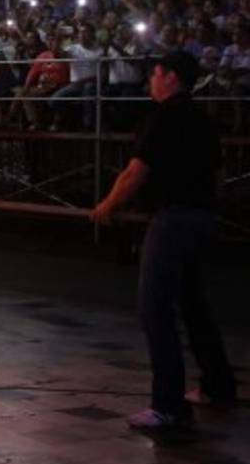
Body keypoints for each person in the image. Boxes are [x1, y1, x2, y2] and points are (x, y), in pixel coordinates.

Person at [91, 51, 237, 430]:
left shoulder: (164, 119)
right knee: (193, 305)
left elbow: (136, 171)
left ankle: (168, 405)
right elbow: (219, 178)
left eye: (155, 74)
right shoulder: (204, 121)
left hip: (172, 219)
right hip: (202, 217)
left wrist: (105, 205)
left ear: (171, 78)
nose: (150, 82)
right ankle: (218, 385)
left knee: (155, 309)